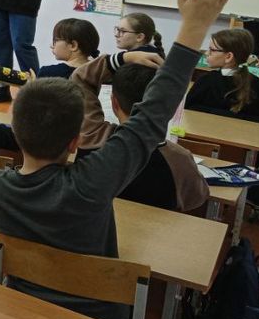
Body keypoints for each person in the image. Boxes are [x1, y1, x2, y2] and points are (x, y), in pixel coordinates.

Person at [0, 0, 233, 319]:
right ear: (74, 141)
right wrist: (193, 29)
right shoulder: (92, 182)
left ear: (15, 133)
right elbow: (151, 117)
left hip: (20, 314)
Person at [76, 61, 209, 213]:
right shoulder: (179, 159)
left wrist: (121, 58)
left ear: (114, 103)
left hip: (90, 224)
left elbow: (80, 79)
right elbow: (198, 197)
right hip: (152, 227)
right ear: (166, 106)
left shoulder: (92, 136)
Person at [187, 28, 259, 125]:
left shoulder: (206, 80)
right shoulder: (255, 82)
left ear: (228, 57)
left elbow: (187, 109)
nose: (207, 53)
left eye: (212, 50)